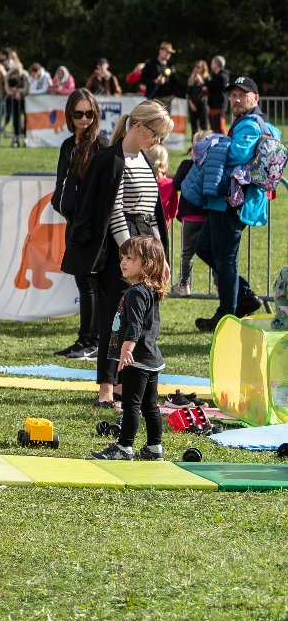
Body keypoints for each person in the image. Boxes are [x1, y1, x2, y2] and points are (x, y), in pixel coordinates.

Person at [61, 99, 171, 408]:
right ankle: (107, 387)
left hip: (145, 245)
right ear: (139, 126)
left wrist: (159, 256)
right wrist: (130, 254)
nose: (156, 141)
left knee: (142, 316)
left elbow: (152, 212)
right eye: (155, 134)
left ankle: (128, 383)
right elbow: (113, 211)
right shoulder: (111, 159)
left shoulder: (145, 160)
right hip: (120, 250)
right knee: (114, 318)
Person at [193, 76, 277, 332]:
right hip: (227, 202)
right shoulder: (244, 122)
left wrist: (213, 142)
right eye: (233, 95)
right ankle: (245, 297)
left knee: (225, 260)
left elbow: (236, 154)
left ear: (255, 99)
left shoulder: (250, 124)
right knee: (204, 247)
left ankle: (226, 315)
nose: (236, 99)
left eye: (242, 94)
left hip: (233, 204)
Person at [90, 236, 171, 462]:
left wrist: (127, 350)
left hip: (136, 358)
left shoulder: (136, 293)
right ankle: (154, 448)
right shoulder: (148, 290)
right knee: (150, 405)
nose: (123, 262)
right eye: (122, 258)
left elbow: (134, 325)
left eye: (130, 258)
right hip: (151, 357)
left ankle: (124, 447)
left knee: (131, 405)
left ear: (147, 264)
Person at [52, 89, 106, 359]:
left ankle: (92, 340)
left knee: (90, 283)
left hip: (92, 225)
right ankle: (85, 339)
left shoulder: (100, 145)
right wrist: (59, 204)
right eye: (78, 114)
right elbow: (62, 181)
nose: (84, 119)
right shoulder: (67, 145)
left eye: (89, 113)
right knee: (82, 282)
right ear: (70, 116)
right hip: (73, 222)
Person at [170, 131, 211, 296]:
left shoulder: (186, 165)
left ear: (194, 148)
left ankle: (183, 284)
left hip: (188, 216)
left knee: (187, 252)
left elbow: (176, 184)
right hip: (207, 215)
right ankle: (218, 284)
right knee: (213, 250)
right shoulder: (211, 167)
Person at [4, 50, 29, 147]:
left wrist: (18, 91)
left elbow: (26, 88)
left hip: (25, 100)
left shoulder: (25, 75)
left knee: (26, 119)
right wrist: (14, 92)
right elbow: (7, 89)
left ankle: (26, 138)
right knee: (15, 119)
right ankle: (16, 138)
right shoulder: (8, 75)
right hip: (14, 99)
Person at [205, 56, 230, 133]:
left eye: (212, 63)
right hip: (214, 105)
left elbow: (212, 85)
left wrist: (203, 82)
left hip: (219, 106)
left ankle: (225, 144)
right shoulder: (216, 76)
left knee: (220, 128)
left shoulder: (222, 77)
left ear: (217, 64)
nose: (211, 65)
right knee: (214, 129)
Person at [185, 60, 210, 134]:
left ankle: (204, 144)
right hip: (193, 104)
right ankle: (194, 144)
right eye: (195, 67)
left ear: (203, 68)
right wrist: (191, 103)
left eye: (198, 67)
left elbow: (208, 91)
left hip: (203, 105)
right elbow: (188, 93)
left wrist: (201, 82)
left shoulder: (207, 78)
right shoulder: (192, 78)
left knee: (204, 126)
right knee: (194, 126)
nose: (196, 68)